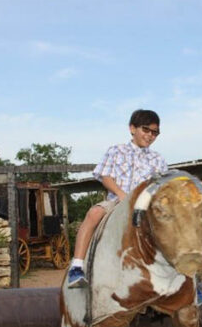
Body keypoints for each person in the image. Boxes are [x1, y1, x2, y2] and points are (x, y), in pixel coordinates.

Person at [67, 109, 167, 288]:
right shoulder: (116, 151)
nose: (150, 136)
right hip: (117, 200)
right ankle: (76, 267)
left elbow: (160, 186)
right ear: (132, 128)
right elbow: (105, 176)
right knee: (94, 212)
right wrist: (122, 194)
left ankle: (189, 281)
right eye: (146, 130)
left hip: (145, 204)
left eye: (155, 133)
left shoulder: (157, 159)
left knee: (178, 227)